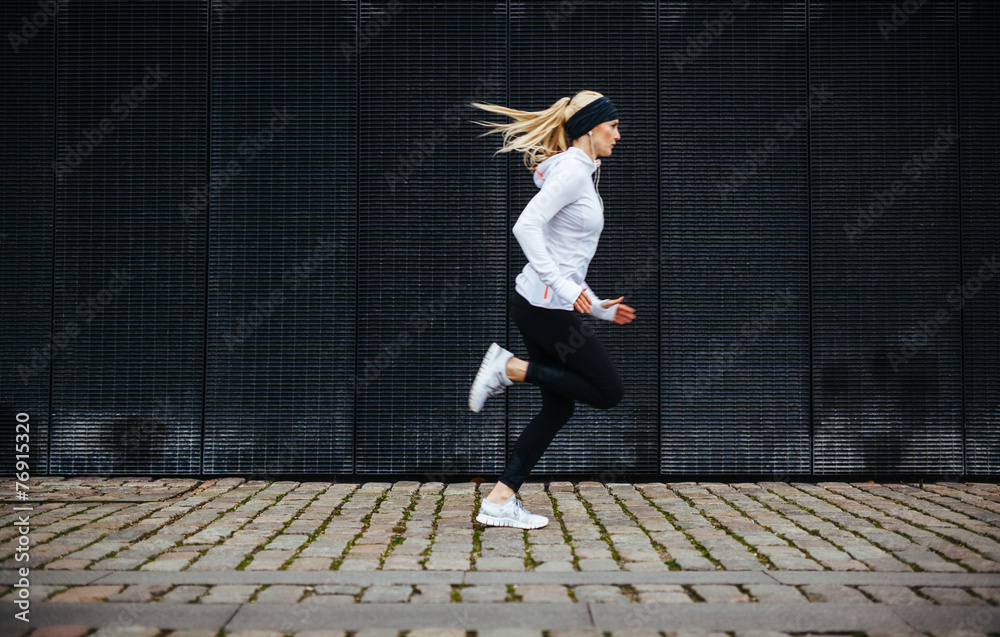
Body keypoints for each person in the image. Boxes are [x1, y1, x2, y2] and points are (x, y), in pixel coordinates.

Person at [465, 90, 635, 529]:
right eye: (613, 126)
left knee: (558, 409)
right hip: (545, 306)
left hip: (540, 303)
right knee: (608, 392)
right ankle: (511, 369)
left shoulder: (582, 171)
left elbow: (565, 253)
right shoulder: (574, 172)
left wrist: (596, 307)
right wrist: (562, 286)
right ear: (591, 128)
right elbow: (526, 226)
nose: (619, 134)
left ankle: (500, 502)